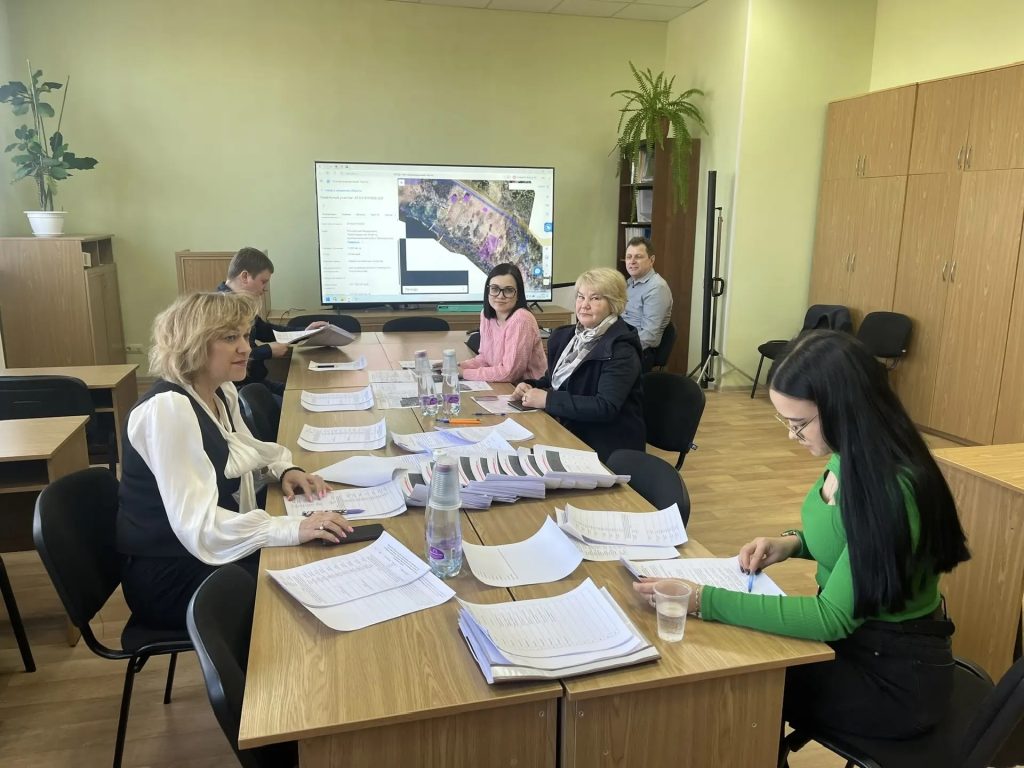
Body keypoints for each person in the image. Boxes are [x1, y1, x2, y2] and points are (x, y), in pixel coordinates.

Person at [634, 330, 971, 744]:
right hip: (858, 645)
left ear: (844, 408)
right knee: (726, 661)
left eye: (799, 424)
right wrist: (791, 543)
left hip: (891, 679)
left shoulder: (890, 490)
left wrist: (703, 599)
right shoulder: (851, 455)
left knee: (734, 685)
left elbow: (831, 617)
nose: (792, 436)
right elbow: (845, 539)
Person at [117, 292, 353, 630]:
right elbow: (199, 525)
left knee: (321, 562)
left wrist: (285, 469)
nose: (246, 348)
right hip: (172, 574)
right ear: (192, 344)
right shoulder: (168, 409)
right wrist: (292, 528)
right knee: (309, 591)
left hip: (203, 551)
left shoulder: (219, 390)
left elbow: (246, 452)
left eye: (245, 335)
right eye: (230, 338)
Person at [513, 267, 645, 461]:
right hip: (566, 427)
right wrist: (530, 386)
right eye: (581, 297)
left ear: (613, 304)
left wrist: (547, 400)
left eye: (595, 298)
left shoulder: (621, 349)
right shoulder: (567, 337)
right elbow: (553, 381)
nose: (584, 305)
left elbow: (605, 406)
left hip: (605, 444)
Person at [216, 247, 326, 398]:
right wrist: (267, 351)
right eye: (263, 282)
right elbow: (229, 356)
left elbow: (266, 331)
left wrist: (305, 332)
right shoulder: (221, 310)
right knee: (298, 402)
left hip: (257, 382)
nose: (265, 289)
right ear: (245, 276)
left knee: (305, 394)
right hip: (240, 390)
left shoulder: (241, 305)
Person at [460, 263, 546, 384]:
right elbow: (485, 359)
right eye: (495, 289)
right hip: (502, 384)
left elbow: (509, 373)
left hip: (528, 389)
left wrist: (464, 373)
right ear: (488, 291)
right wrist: (457, 366)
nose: (500, 296)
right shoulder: (486, 315)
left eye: (508, 290)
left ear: (518, 294)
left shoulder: (521, 319)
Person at [621, 237, 673, 370]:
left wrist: (620, 346)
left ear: (651, 260)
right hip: (625, 341)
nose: (632, 261)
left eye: (638, 257)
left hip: (641, 351)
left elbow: (649, 336)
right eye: (628, 257)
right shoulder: (629, 283)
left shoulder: (657, 288)